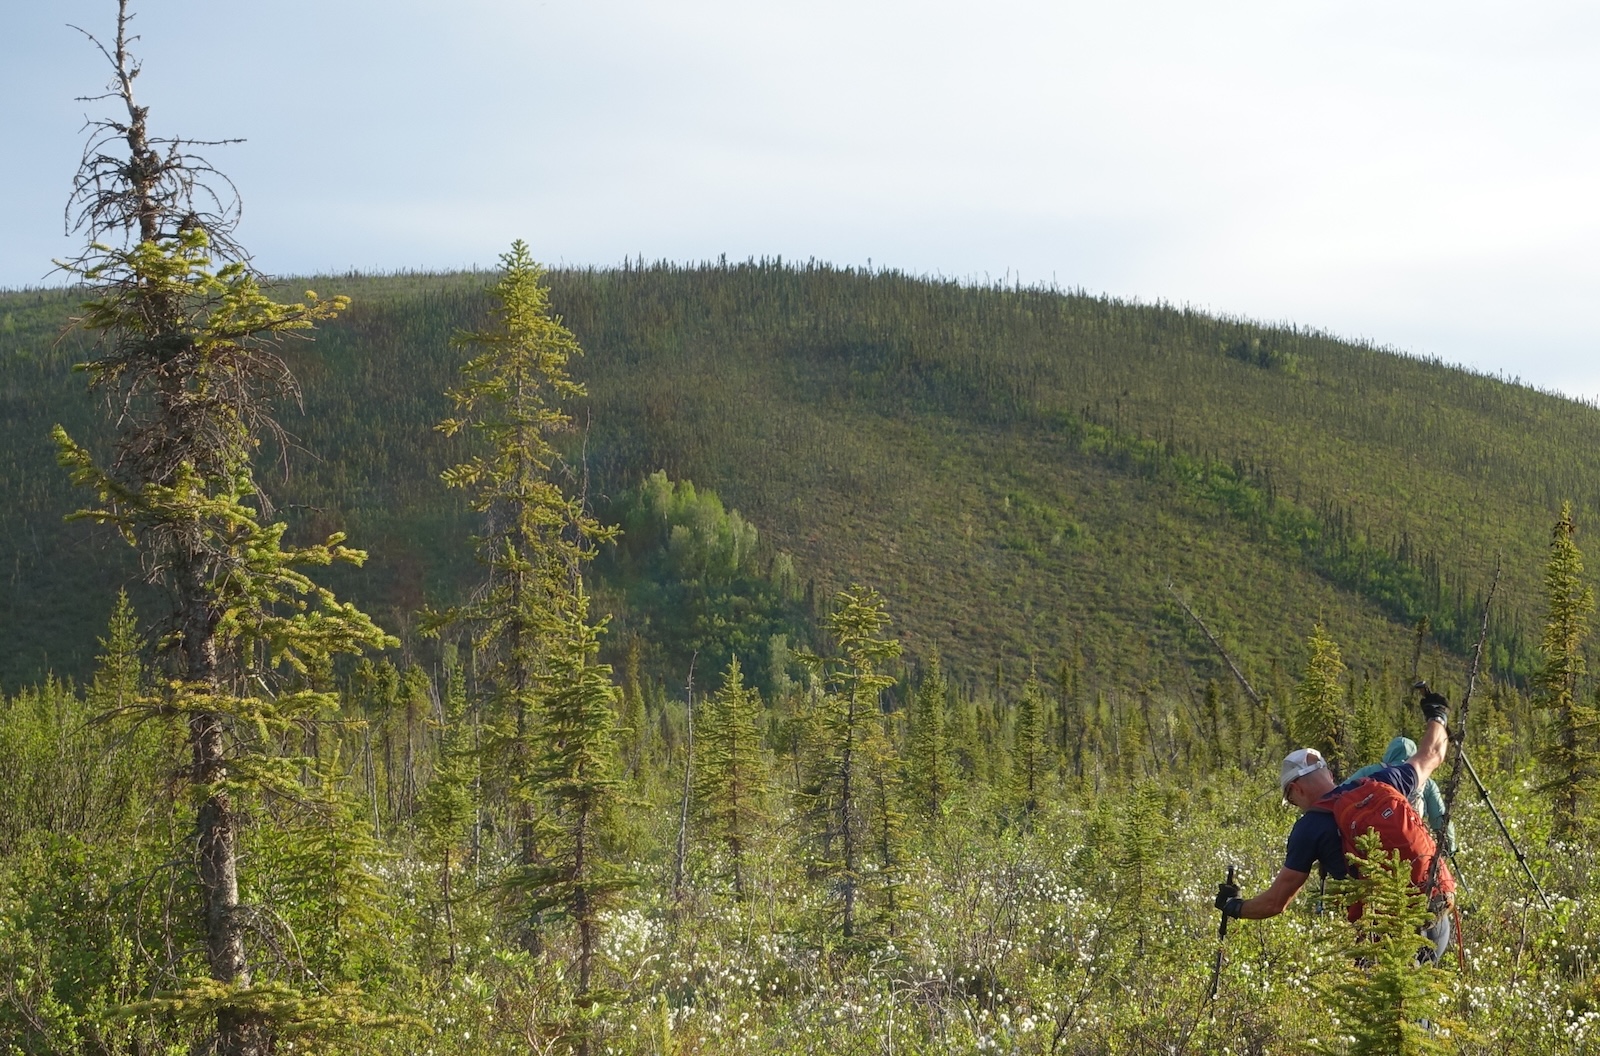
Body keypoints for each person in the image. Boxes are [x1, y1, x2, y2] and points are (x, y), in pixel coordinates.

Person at [1214, 689, 1455, 961]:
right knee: (1418, 998)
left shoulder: (1309, 828)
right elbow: (1432, 753)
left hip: (1387, 932)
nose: (1295, 805)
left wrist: (1234, 906)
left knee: (1383, 1000)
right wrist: (1438, 714)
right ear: (1328, 773)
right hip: (1434, 909)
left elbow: (1274, 903)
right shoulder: (1382, 781)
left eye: (1291, 799)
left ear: (1296, 789)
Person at [1350, 735, 1457, 856]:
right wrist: (1450, 846)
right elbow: (1439, 816)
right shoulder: (1425, 781)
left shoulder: (1370, 771)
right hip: (1412, 842)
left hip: (1373, 843)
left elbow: (1341, 793)